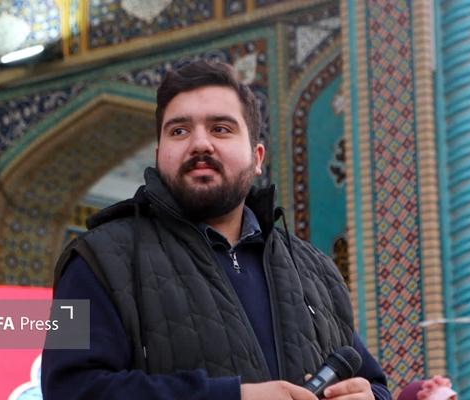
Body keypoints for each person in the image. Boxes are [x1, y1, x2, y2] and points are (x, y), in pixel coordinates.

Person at [41, 60, 391, 400]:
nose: (200, 144)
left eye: (220, 129)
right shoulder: (93, 261)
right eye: (179, 131)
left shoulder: (315, 271)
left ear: (257, 157)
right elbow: (67, 389)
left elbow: (374, 384)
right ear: (159, 155)